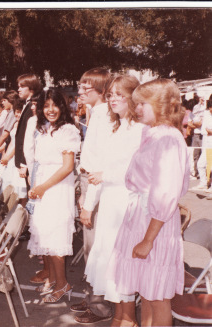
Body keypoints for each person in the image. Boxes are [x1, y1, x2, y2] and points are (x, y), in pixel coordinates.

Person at [107, 79, 189, 327]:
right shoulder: (153, 134)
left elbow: (165, 194)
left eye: (143, 103)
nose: (137, 108)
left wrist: (148, 239)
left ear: (161, 105)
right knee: (146, 290)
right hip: (140, 218)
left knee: (157, 297)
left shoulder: (168, 139)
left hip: (154, 225)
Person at [82, 75, 144, 326]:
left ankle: (127, 320)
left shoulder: (141, 129)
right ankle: (120, 318)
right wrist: (88, 204)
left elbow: (140, 173)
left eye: (120, 94)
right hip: (109, 206)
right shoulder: (117, 128)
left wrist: (105, 175)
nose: (114, 99)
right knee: (112, 276)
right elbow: (100, 167)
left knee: (122, 275)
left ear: (133, 97)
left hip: (126, 208)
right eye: (110, 95)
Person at [27, 88, 81, 304]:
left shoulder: (68, 130)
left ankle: (63, 283)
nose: (50, 110)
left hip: (57, 189)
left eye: (54, 105)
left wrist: (43, 187)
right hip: (43, 186)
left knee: (57, 236)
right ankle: (53, 278)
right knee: (46, 234)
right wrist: (36, 187)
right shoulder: (44, 128)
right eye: (46, 105)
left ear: (63, 106)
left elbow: (67, 167)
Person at [70, 67, 114, 324]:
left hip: (96, 184)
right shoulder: (94, 113)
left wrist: (88, 204)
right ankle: (92, 296)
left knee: (96, 248)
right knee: (89, 247)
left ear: (101, 91)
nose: (81, 92)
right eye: (81, 86)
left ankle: (100, 305)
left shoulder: (104, 117)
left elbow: (101, 163)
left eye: (86, 88)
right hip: (88, 181)